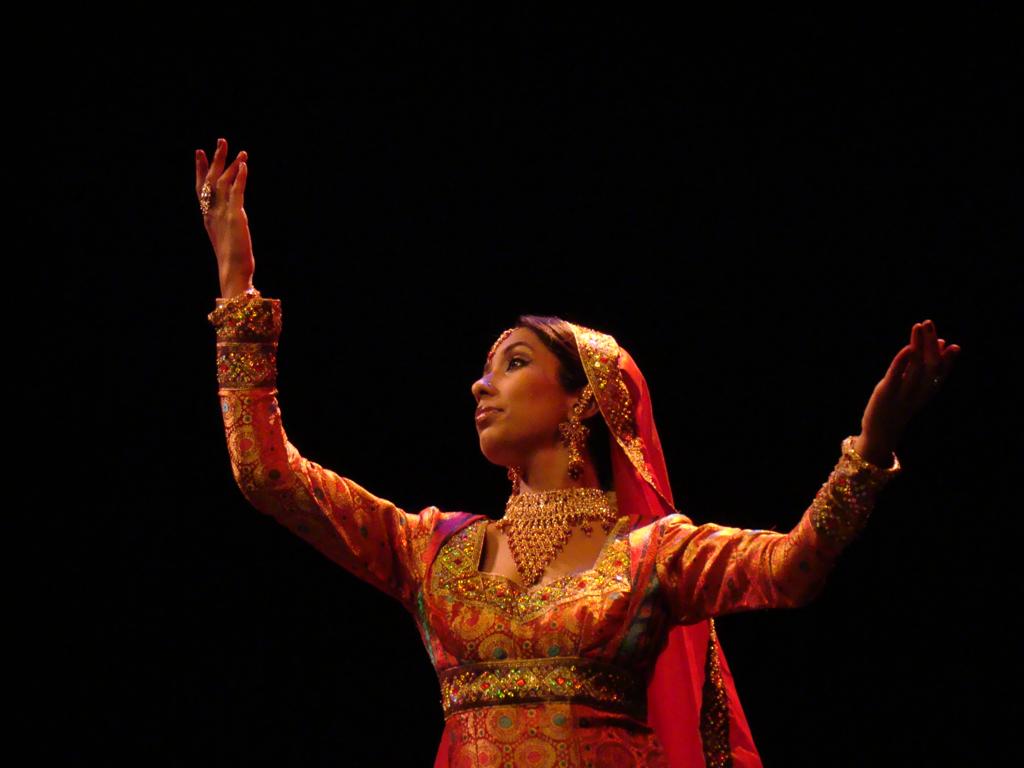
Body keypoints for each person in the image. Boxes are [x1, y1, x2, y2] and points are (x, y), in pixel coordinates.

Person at [196, 138, 961, 767]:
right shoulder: (430, 550)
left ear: (583, 400)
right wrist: (237, 290)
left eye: (514, 363)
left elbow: (791, 569)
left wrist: (870, 450)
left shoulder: (651, 556)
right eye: (486, 368)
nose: (481, 384)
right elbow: (267, 475)